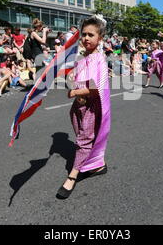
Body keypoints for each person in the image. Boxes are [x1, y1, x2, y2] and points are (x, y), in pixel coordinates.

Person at [57, 15, 111, 200]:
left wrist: (74, 93)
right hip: (77, 107)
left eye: (91, 35)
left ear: (100, 38)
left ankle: (73, 175)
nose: (86, 38)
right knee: (83, 137)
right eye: (84, 34)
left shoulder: (100, 60)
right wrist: (70, 80)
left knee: (84, 141)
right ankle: (99, 164)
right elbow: (75, 78)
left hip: (91, 107)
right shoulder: (82, 57)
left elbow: (97, 88)